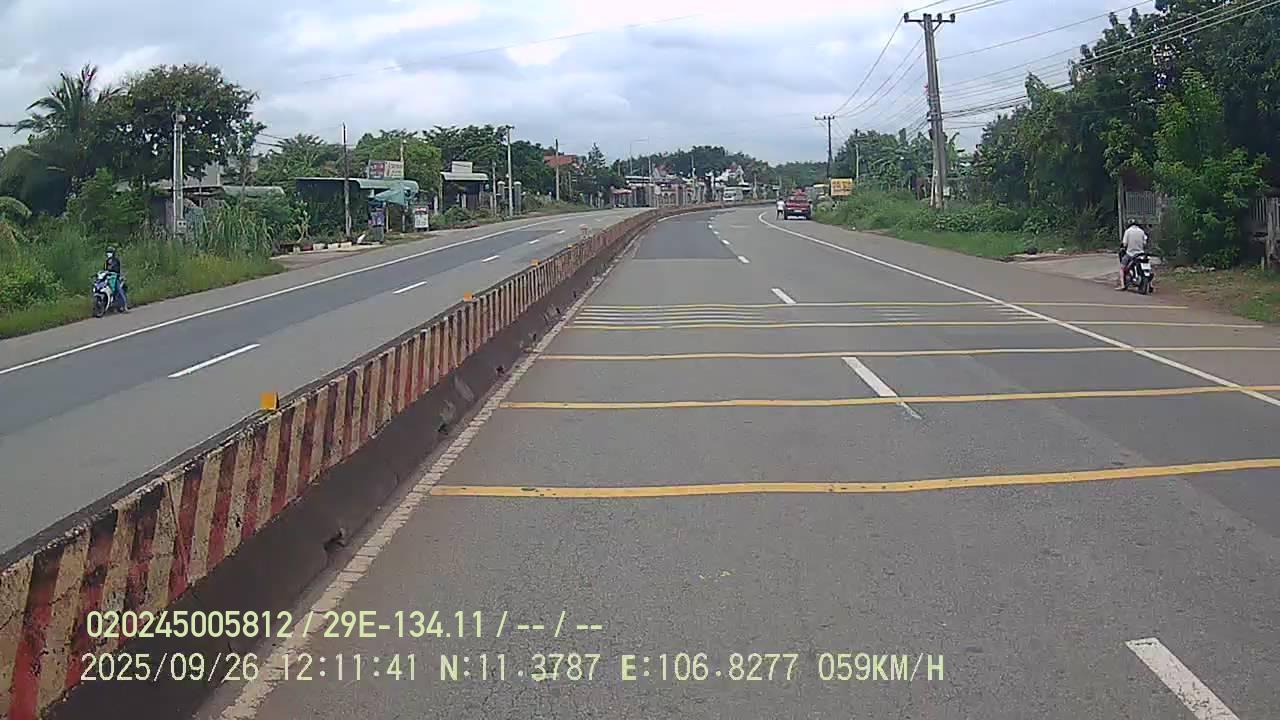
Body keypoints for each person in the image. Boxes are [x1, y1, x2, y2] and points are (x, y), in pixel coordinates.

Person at [1117, 219, 1148, 290]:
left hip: (1130, 254)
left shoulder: (1128, 231)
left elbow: (1124, 244)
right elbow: (1145, 243)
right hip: (1140, 254)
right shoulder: (1141, 231)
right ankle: (1151, 285)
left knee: (1122, 268)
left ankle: (1122, 285)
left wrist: (1124, 246)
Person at [104, 247, 128, 311]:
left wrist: (117, 275)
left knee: (119, 290)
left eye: (110, 252)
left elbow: (118, 270)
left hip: (115, 278)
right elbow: (105, 269)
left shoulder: (116, 260)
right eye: (108, 252)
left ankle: (125, 305)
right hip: (108, 277)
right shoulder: (107, 261)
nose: (108, 253)